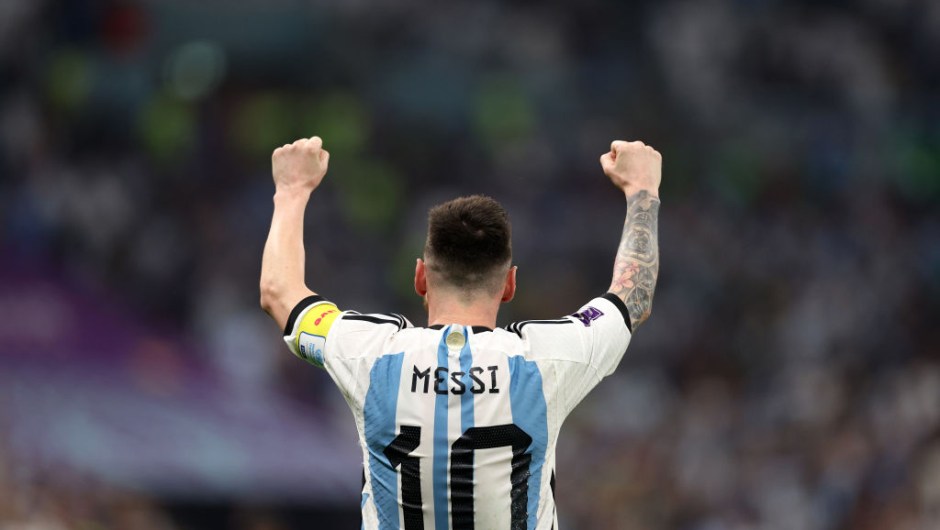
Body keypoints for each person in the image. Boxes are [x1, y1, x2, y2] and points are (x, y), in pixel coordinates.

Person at [260, 136, 661, 530]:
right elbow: (631, 299)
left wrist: (292, 190)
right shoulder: (548, 359)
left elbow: (280, 294)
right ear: (509, 285)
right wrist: (642, 189)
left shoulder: (371, 355)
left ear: (420, 277)